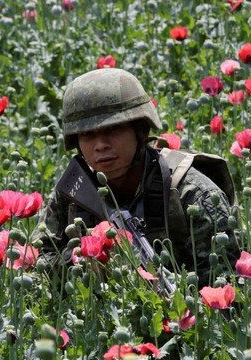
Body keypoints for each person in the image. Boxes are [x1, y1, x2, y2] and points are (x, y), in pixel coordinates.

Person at [33, 68, 240, 289]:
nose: (100, 144)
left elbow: (226, 290)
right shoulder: (74, 191)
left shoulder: (193, 194)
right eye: (87, 134)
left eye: (113, 129)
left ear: (140, 129)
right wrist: (84, 259)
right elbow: (37, 264)